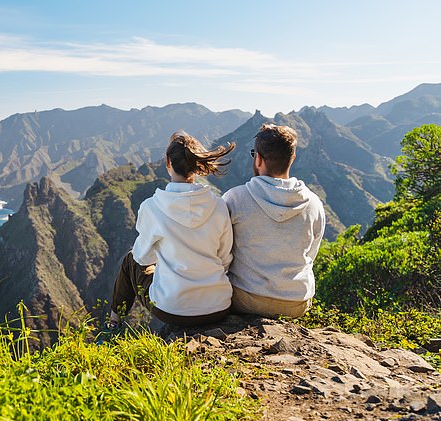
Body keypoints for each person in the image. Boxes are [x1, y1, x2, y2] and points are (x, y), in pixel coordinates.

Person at [107, 131, 235, 329]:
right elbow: (225, 257)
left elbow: (142, 258)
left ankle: (112, 326)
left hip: (173, 309)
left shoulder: (152, 207)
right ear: (197, 165)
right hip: (218, 305)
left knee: (129, 260)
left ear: (168, 163)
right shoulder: (218, 206)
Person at [222, 123, 325, 318]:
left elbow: (221, 252)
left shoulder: (235, 199)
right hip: (296, 303)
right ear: (292, 158)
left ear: (258, 159)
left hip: (246, 299)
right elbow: (311, 255)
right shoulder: (314, 204)